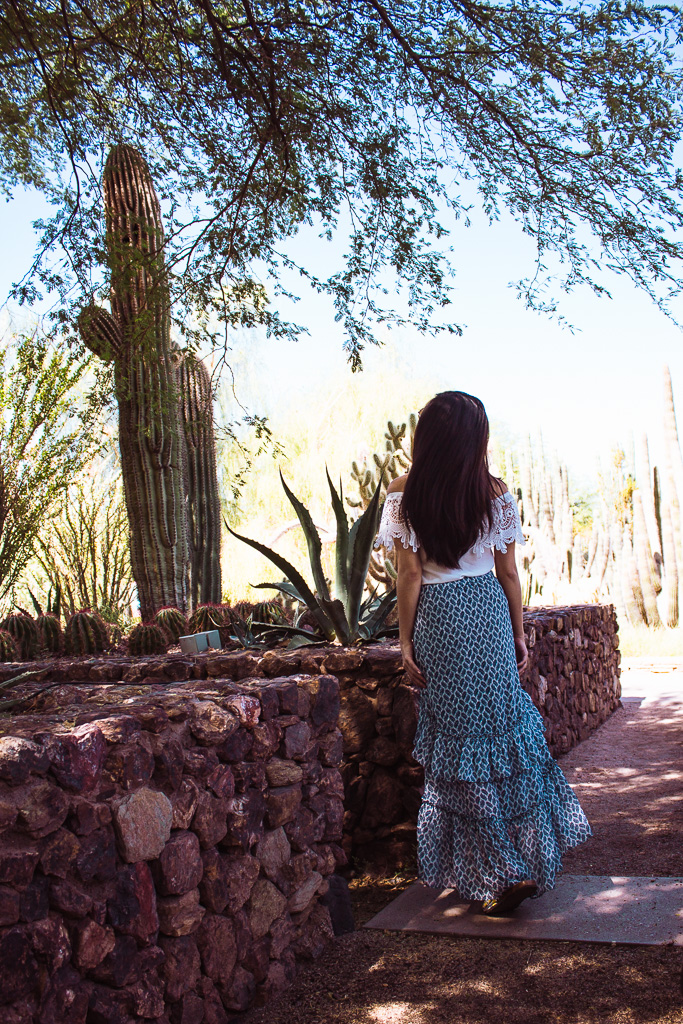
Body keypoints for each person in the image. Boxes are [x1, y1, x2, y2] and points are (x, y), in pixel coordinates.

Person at [375, 391, 591, 914]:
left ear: (427, 438)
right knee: (502, 729)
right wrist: (518, 632)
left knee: (458, 740)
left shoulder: (403, 492)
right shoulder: (495, 492)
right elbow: (509, 572)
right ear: (476, 441)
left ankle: (500, 870)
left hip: (441, 620)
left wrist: (404, 641)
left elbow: (408, 574)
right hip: (488, 613)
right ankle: (518, 859)